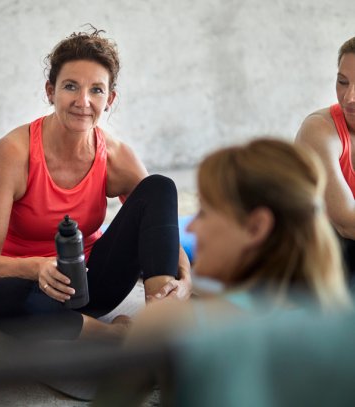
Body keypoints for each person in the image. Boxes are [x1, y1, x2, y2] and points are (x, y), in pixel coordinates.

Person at [0, 27, 192, 341]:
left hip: (93, 283)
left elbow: (159, 225)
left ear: (110, 99)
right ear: (51, 91)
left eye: (97, 90)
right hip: (36, 290)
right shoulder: (13, 152)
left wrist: (185, 279)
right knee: (0, 300)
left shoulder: (115, 155)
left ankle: (162, 325)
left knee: (160, 186)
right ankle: (113, 337)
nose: (83, 101)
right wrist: (38, 268)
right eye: (71, 86)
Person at [128, 138, 353, 347]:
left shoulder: (204, 329)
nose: (189, 226)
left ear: (256, 227)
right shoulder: (337, 322)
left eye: (205, 212)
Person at [295, 36, 355, 282]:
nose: (349, 97)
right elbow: (346, 222)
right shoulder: (320, 129)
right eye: (342, 82)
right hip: (315, 255)